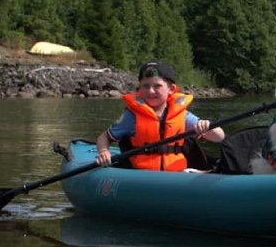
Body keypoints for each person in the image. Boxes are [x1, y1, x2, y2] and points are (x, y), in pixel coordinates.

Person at [95, 59, 225, 171]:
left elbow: (219, 137)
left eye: (157, 86)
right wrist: (104, 152)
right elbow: (104, 137)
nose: (151, 91)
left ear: (171, 89)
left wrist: (207, 126)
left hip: (177, 176)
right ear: (139, 88)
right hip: (141, 176)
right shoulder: (132, 117)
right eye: (145, 86)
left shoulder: (183, 116)